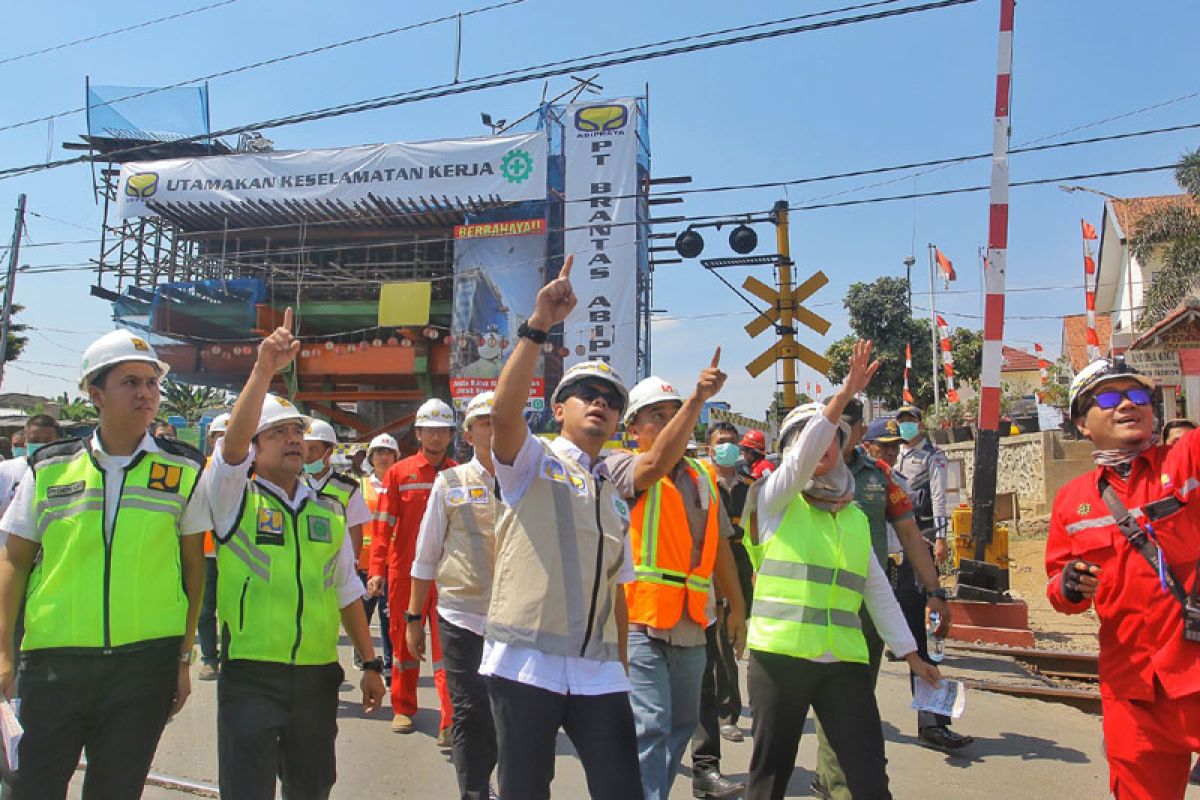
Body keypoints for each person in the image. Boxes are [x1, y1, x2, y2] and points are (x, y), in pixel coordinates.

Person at [0, 329, 209, 799]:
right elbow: (13, 561)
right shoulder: (49, 468)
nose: (146, 394)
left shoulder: (183, 470)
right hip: (54, 664)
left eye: (152, 383)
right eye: (131, 382)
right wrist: (4, 653)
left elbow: (194, 571)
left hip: (143, 666)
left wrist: (182, 659)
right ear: (95, 394)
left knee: (116, 790)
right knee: (30, 788)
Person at [744, 341, 942, 800]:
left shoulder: (851, 516)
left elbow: (877, 591)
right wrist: (845, 393)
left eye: (832, 439)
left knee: (868, 778)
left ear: (844, 444)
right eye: (809, 440)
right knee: (769, 779)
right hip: (780, 662)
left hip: (844, 665)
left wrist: (912, 654)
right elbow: (803, 455)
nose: (820, 448)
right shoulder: (777, 500)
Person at [205, 308, 385, 799]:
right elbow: (228, 454)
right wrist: (264, 370)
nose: (292, 440)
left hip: (315, 676)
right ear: (255, 447)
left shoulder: (328, 510)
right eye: (278, 433)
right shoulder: (232, 500)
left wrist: (370, 664)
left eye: (297, 432)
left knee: (311, 787)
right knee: (247, 789)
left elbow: (347, 589)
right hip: (250, 674)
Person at [485, 255, 642, 799]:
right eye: (588, 395)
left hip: (598, 670)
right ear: (558, 408)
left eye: (612, 400)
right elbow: (505, 415)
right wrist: (538, 327)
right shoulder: (533, 461)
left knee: (622, 787)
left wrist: (620, 663)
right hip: (527, 664)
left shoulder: (610, 491)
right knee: (526, 791)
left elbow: (618, 590)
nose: (601, 403)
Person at [1046, 356, 1200, 799]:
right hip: (1131, 690)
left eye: (1137, 396)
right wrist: (1069, 586)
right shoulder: (1071, 502)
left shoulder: (1185, 462)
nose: (1127, 405)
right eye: (1109, 397)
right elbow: (1057, 586)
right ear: (1082, 424)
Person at [606, 371, 746, 800]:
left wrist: (737, 607)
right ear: (632, 428)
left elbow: (719, 546)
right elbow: (654, 465)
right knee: (650, 726)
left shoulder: (703, 477)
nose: (670, 422)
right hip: (639, 620)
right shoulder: (621, 466)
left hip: (692, 621)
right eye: (657, 415)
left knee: (681, 726)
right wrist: (698, 398)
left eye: (674, 413)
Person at [810, 410, 964, 799]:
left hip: (868, 605)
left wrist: (935, 591)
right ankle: (839, 786)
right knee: (838, 697)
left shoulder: (881, 477)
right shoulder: (803, 472)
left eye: (844, 424)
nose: (835, 431)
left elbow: (910, 535)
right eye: (829, 422)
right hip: (815, 607)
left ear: (860, 429)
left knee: (857, 693)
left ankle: (829, 779)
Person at [408, 391, 500, 800]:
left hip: (518, 620)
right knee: (469, 712)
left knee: (506, 717)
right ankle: (474, 793)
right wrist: (413, 618)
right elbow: (426, 555)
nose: (494, 429)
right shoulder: (450, 483)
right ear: (469, 432)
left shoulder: (533, 483)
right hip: (462, 616)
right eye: (485, 422)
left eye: (501, 420)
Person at [368, 397, 457, 743]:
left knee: (449, 648)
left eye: (442, 431)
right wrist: (376, 568)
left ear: (450, 434)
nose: (435, 437)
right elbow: (382, 526)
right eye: (429, 430)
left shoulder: (457, 474)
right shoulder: (399, 473)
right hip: (404, 574)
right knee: (403, 644)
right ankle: (403, 707)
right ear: (418, 433)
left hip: (448, 575)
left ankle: (450, 719)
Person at [691, 422, 754, 798]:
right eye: (721, 443)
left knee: (733, 640)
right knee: (711, 653)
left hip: (741, 563)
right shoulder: (699, 482)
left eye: (732, 443)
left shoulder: (749, 487)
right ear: (708, 448)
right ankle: (723, 716)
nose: (727, 448)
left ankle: (728, 715)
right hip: (706, 571)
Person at [360, 433, 400, 677]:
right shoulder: (359, 486)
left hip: (392, 563)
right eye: (378, 453)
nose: (383, 457)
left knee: (389, 619)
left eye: (388, 453)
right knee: (361, 616)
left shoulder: (400, 484)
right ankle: (364, 657)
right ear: (371, 458)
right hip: (363, 563)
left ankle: (388, 666)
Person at [303, 419, 372, 560]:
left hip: (335, 565)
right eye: (304, 448)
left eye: (313, 449)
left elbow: (354, 529)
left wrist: (354, 562)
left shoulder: (347, 488)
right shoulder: (292, 483)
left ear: (329, 451)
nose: (308, 455)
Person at [197, 412, 231, 680]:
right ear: (211, 439)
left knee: (233, 608)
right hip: (206, 551)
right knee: (206, 608)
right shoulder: (199, 468)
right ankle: (210, 657)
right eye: (220, 436)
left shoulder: (248, 470)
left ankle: (232, 657)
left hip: (236, 551)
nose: (224, 441)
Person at [0, 414, 61, 521]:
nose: (41, 445)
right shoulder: (4, 470)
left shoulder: (66, 470)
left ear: (58, 442)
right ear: (25, 441)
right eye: (35, 441)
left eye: (47, 441)